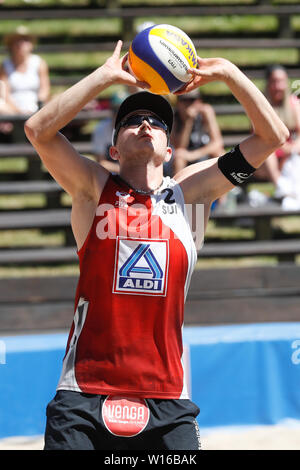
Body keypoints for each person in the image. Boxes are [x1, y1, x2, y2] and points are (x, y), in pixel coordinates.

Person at [24, 41, 288, 450]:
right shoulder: (93, 190)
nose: (146, 124)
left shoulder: (192, 197)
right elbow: (38, 131)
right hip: (84, 394)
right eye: (133, 120)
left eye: (157, 121)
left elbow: (273, 136)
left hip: (167, 400)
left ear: (169, 149)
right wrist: (105, 76)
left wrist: (229, 72)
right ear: (113, 149)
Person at [254, 65, 300, 206]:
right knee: (268, 154)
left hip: (291, 155)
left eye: (281, 81)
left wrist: (292, 149)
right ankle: (282, 189)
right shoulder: (260, 106)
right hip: (268, 159)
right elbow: (261, 136)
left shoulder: (294, 103)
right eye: (274, 81)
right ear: (268, 84)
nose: (278, 86)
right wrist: (284, 148)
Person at [172, 89, 224, 174]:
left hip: (203, 154)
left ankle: (228, 186)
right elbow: (179, 148)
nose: (188, 105)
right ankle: (177, 186)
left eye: (192, 100)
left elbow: (217, 143)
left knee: (219, 153)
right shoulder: (175, 117)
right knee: (179, 157)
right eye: (185, 100)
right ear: (178, 103)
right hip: (185, 157)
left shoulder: (206, 112)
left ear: (199, 101)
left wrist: (193, 155)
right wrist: (188, 122)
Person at [91, 89, 129, 173]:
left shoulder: (135, 128)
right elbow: (101, 162)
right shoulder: (101, 129)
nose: (119, 114)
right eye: (116, 109)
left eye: (123, 110)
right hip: (110, 177)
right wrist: (126, 172)